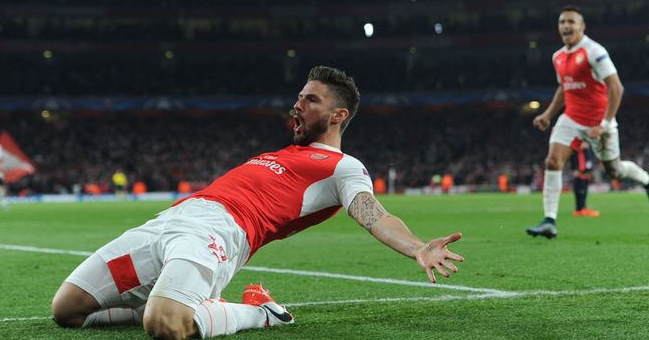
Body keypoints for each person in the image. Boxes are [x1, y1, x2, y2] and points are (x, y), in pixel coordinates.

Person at [51, 66, 464, 339]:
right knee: (67, 310)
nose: (297, 104)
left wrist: (417, 247)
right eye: (299, 96)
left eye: (311, 100)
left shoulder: (342, 167)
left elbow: (372, 214)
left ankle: (262, 311)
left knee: (164, 325)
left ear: (339, 115)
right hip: (169, 221)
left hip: (218, 235)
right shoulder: (282, 153)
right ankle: (170, 297)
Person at [526, 6, 649, 239]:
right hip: (571, 118)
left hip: (599, 123)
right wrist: (547, 115)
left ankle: (646, 180)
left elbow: (616, 87)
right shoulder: (558, 57)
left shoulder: (594, 51)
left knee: (615, 171)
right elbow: (564, 88)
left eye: (571, 21)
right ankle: (549, 220)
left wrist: (605, 122)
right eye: (562, 22)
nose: (566, 26)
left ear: (582, 26)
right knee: (553, 161)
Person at [571, 141, 599, 217]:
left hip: (585, 174)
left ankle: (583, 208)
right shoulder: (577, 152)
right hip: (580, 174)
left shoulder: (586, 152)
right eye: (584, 143)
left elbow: (589, 161)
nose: (586, 145)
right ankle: (580, 209)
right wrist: (576, 169)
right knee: (580, 192)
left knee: (584, 192)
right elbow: (576, 162)